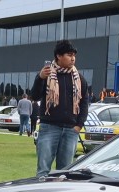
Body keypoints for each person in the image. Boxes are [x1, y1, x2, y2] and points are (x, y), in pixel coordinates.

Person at [31, 40, 90, 178]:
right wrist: (40, 78)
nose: (73, 58)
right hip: (49, 127)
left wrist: (79, 125)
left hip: (71, 129)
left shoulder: (79, 78)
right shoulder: (47, 74)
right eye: (69, 55)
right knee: (43, 170)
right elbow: (35, 96)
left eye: (74, 55)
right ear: (58, 56)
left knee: (64, 173)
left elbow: (84, 102)